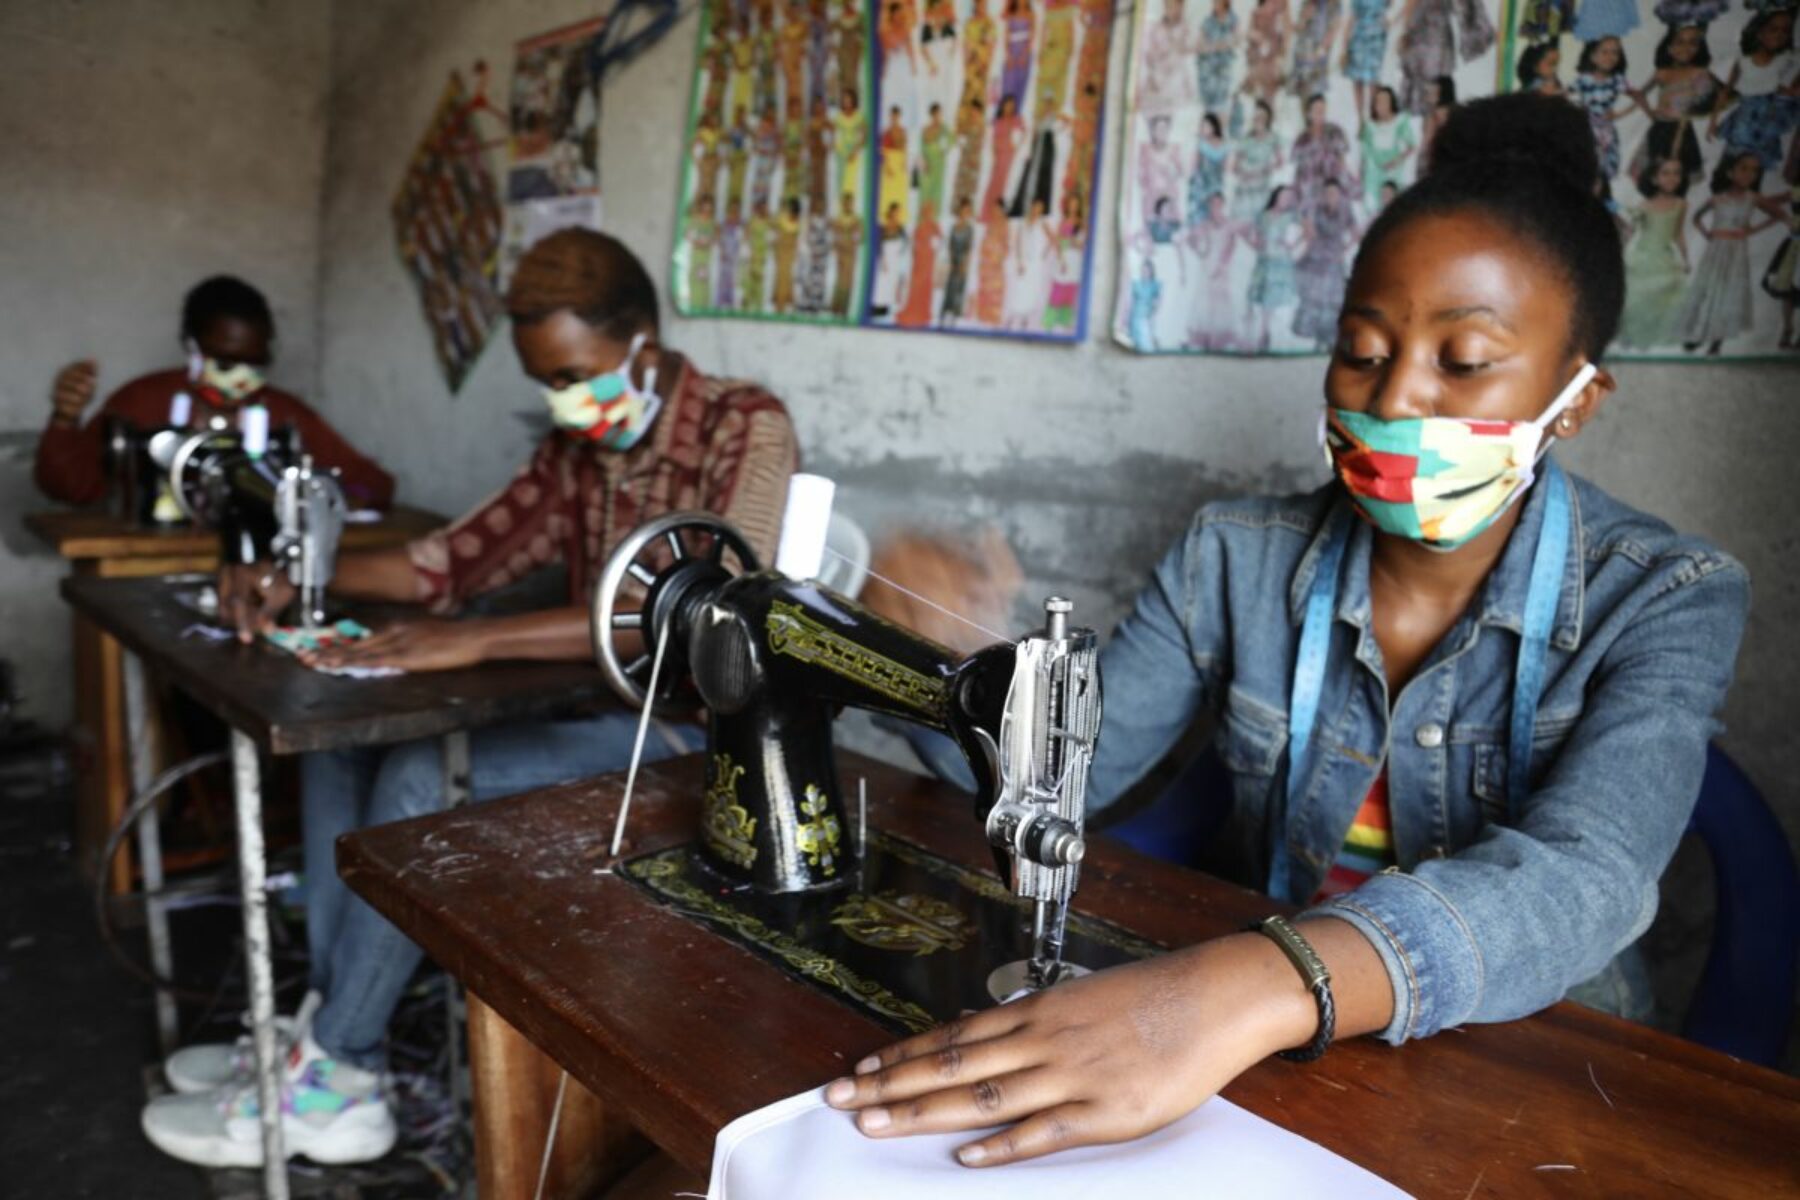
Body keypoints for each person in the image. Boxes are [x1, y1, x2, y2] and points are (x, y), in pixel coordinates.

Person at [828, 92, 1748, 1170]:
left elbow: (1583, 879)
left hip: (1524, 1059)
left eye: (1462, 361)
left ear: (1576, 397)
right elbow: (1083, 769)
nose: (1397, 393)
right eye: (1362, 349)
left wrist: (1252, 986)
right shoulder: (1236, 554)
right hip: (1273, 1044)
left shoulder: (1671, 594)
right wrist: (949, 655)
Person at [139, 230, 798, 1169]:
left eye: (576, 374)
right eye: (547, 382)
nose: (564, 400)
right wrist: (297, 570)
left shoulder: (746, 426)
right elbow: (453, 558)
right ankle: (326, 1038)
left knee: (421, 770)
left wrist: (476, 636)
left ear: (643, 347)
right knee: (336, 744)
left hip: (689, 735)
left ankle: (341, 1070)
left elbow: (695, 605)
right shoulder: (579, 447)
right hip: (589, 709)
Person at [36, 276, 394, 510]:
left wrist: (341, 501)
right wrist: (65, 418)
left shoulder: (284, 414)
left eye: (254, 363)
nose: (241, 376)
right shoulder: (142, 401)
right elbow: (69, 488)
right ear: (189, 345)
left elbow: (372, 487)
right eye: (224, 362)